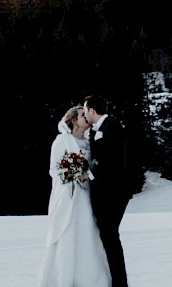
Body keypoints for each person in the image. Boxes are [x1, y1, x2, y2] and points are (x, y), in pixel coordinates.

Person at [38, 106, 111, 287]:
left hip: (86, 196)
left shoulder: (90, 142)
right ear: (73, 120)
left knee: (87, 233)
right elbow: (54, 170)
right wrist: (73, 172)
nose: (86, 117)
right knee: (67, 234)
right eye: (81, 115)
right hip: (67, 196)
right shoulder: (61, 141)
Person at [83, 95, 131, 287]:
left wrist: (90, 174)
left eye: (86, 110)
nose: (85, 114)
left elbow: (114, 160)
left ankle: (120, 283)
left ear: (92, 111)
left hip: (114, 192)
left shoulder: (112, 127)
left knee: (110, 236)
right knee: (108, 236)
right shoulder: (102, 128)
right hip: (109, 192)